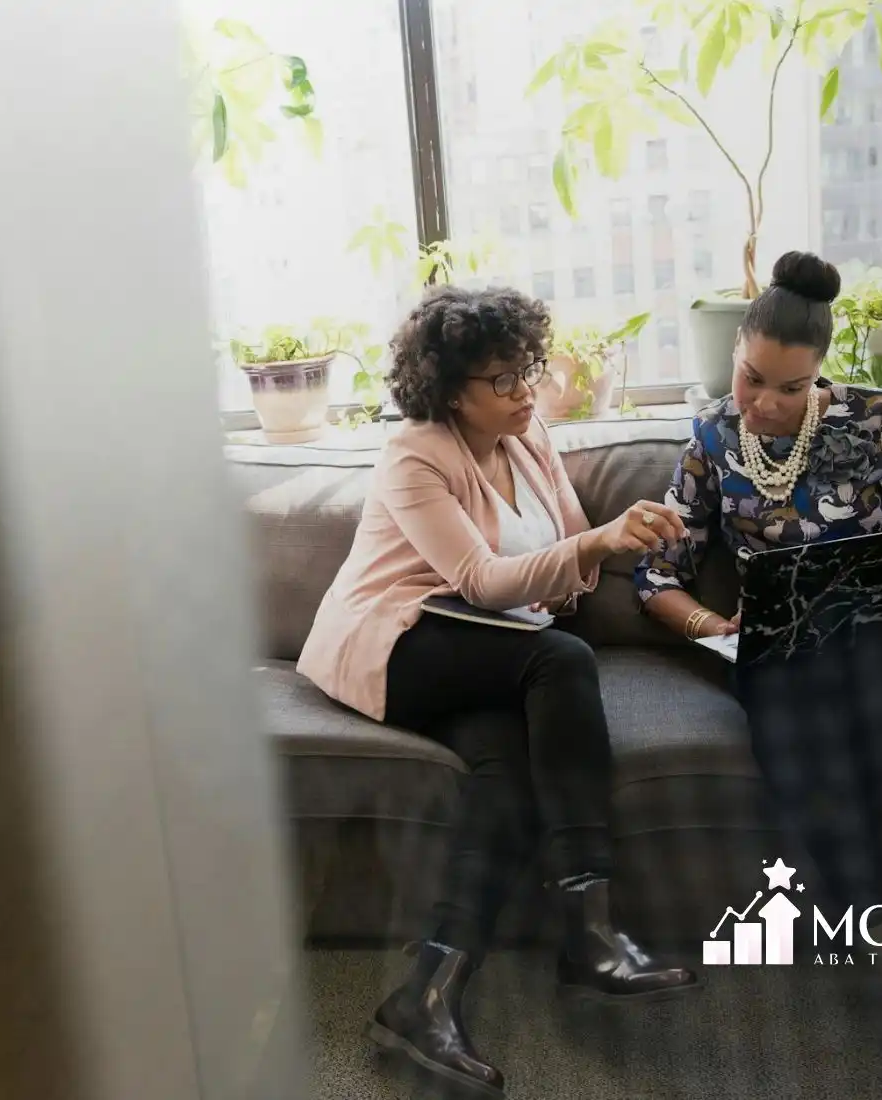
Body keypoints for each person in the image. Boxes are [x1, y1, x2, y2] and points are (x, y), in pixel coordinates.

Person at [298, 285, 696, 1098]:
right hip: (398, 638)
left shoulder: (527, 439)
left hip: (486, 649)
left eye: (526, 372)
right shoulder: (415, 454)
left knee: (507, 778)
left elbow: (566, 560)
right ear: (448, 390)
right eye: (501, 380)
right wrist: (592, 546)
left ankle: (426, 995)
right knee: (561, 663)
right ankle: (588, 926)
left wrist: (618, 544)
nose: (524, 393)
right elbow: (479, 580)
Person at [634, 251, 882, 1098]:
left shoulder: (877, 420)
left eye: (789, 389)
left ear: (820, 376)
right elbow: (656, 576)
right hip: (786, 658)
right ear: (736, 354)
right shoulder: (711, 438)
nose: (763, 403)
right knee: (808, 734)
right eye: (751, 377)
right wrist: (713, 624)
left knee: (875, 685)